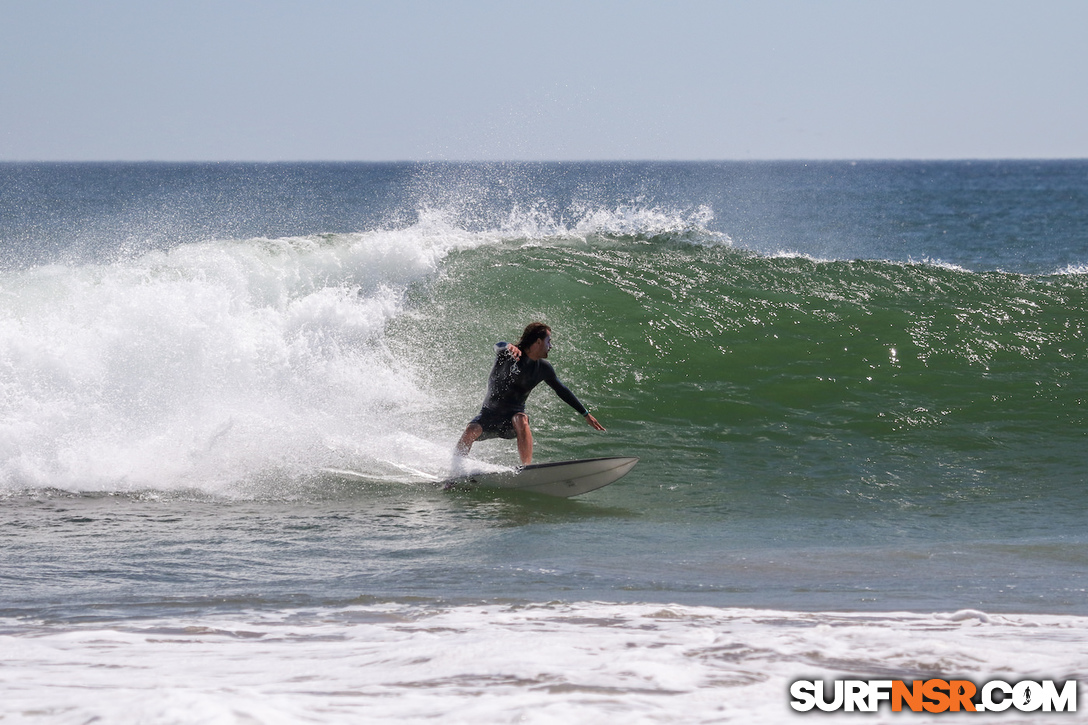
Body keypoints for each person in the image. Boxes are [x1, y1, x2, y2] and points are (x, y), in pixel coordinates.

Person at [455, 322, 605, 466]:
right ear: (538, 342)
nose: (550, 346)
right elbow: (497, 346)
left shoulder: (543, 368)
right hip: (488, 416)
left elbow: (561, 390)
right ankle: (455, 469)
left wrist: (585, 414)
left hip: (511, 424)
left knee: (521, 418)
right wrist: (507, 346)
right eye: (549, 341)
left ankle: (526, 468)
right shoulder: (508, 354)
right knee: (471, 430)